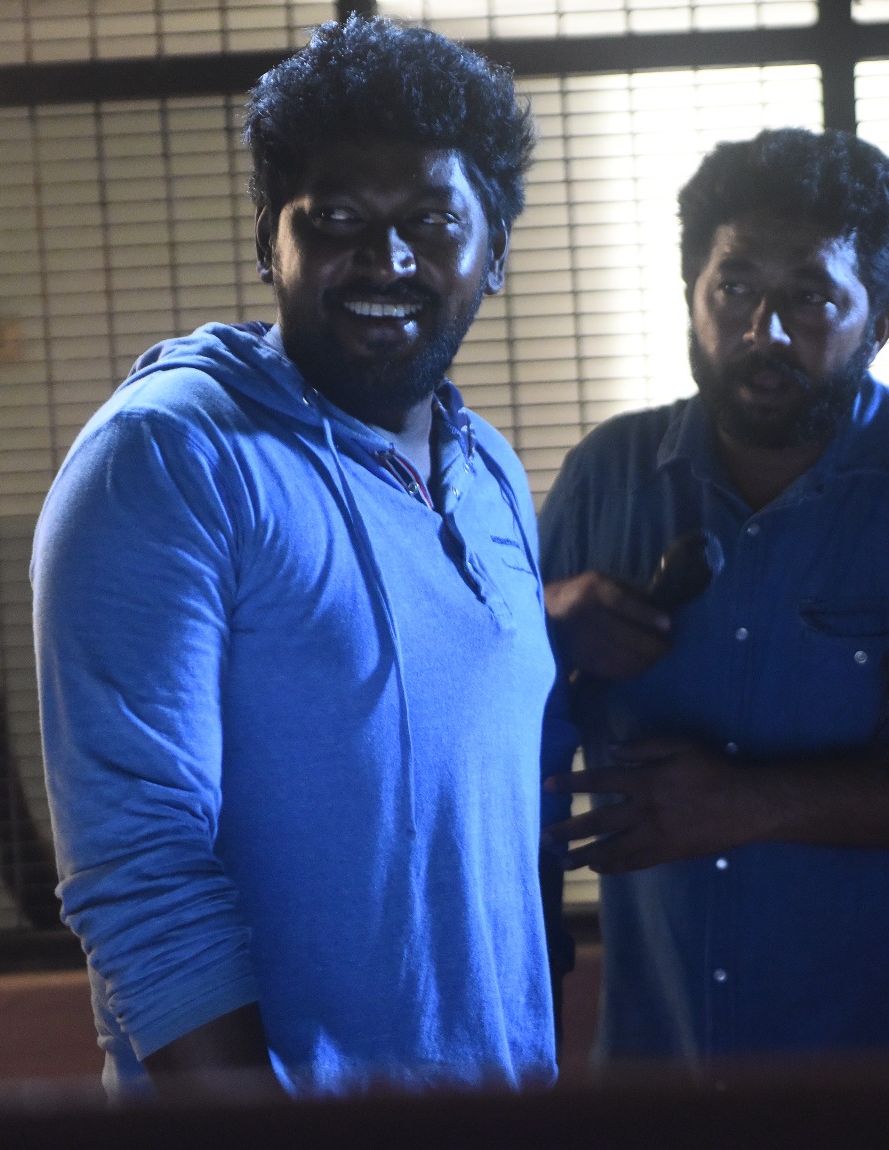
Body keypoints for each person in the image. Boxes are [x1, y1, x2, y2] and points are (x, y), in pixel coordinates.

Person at [32, 17, 555, 1097]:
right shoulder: (168, 457)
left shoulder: (491, 469)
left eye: (431, 221)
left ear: (494, 250)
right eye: (337, 219)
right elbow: (141, 871)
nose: (387, 258)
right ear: (268, 241)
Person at [539, 129, 889, 1062]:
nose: (764, 330)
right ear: (692, 298)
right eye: (734, 290)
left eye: (811, 297)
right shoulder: (607, 476)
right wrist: (544, 627)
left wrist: (753, 803)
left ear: (882, 321)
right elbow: (503, 744)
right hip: (659, 1072)